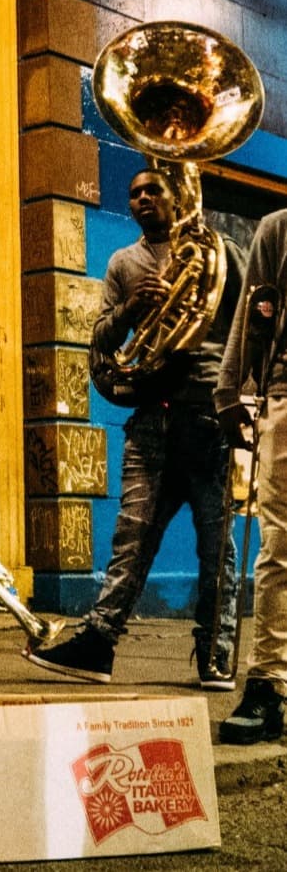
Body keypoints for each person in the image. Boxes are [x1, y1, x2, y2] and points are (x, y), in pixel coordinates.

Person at [25, 167, 245, 691]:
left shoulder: (225, 252)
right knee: (131, 538)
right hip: (151, 419)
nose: (143, 199)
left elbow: (248, 329)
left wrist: (245, 399)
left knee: (217, 546)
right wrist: (131, 307)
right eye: (135, 193)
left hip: (208, 416)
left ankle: (217, 652)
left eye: (154, 191)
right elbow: (99, 338)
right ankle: (98, 646)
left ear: (178, 197)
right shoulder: (124, 262)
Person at [213, 208, 287, 743]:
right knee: (280, 546)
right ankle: (268, 685)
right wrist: (229, 389)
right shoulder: (278, 228)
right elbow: (252, 311)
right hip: (286, 394)